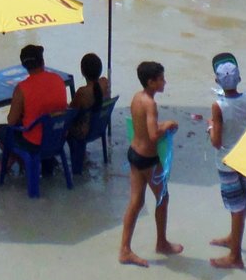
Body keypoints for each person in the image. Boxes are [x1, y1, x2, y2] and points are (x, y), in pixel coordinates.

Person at [119, 60, 182, 266]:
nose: (165, 81)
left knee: (136, 202)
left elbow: (141, 128)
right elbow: (154, 135)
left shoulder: (137, 98)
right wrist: (167, 125)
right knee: (162, 198)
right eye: (161, 78)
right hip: (148, 159)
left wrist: (158, 126)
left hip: (134, 153)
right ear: (151, 82)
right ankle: (162, 243)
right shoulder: (150, 103)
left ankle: (125, 250)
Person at [208, 55, 246, 269]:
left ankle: (235, 256)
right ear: (239, 78)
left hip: (227, 162)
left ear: (217, 81)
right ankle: (233, 237)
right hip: (245, 158)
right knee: (242, 203)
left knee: (235, 207)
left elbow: (216, 142)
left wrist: (211, 126)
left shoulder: (218, 106)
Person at [0, 44, 67, 169]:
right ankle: (25, 161)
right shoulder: (58, 80)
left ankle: (13, 161)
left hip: (35, 143)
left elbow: (11, 121)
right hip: (57, 138)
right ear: (42, 61)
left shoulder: (22, 89)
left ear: (24, 66)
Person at [68, 52, 110, 143]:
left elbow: (71, 112)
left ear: (82, 71)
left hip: (84, 131)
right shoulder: (105, 83)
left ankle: (78, 154)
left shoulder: (82, 92)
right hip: (100, 126)